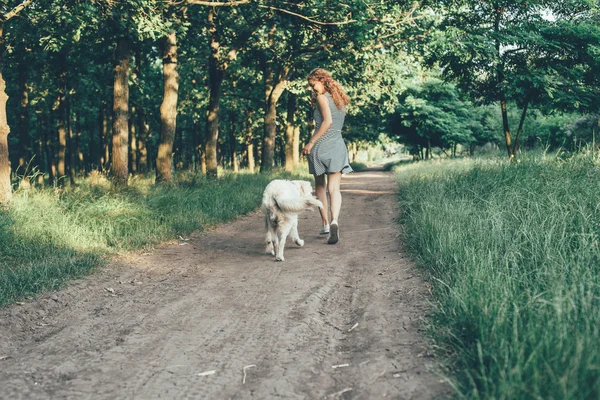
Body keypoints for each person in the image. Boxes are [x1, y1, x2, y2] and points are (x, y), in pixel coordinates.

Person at [302, 68, 353, 245]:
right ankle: (334, 221)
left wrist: (311, 142)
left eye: (313, 84)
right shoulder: (341, 101)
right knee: (335, 189)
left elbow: (327, 122)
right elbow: (335, 124)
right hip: (338, 145)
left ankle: (325, 224)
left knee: (320, 187)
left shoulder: (321, 98)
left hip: (321, 145)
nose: (312, 89)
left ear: (321, 80)